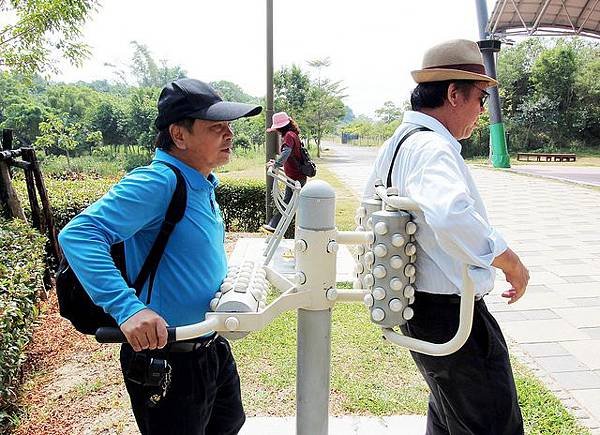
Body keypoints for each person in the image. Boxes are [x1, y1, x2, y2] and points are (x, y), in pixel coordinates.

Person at [58, 78, 262, 435]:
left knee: (228, 425)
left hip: (209, 346)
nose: (229, 134)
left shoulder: (201, 182)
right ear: (179, 135)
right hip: (168, 359)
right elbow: (78, 234)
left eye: (229, 126)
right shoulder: (158, 181)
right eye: (216, 127)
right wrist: (128, 308)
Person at [363, 39, 529, 434]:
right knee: (490, 423)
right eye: (480, 99)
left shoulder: (398, 144)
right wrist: (509, 260)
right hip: (452, 312)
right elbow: (452, 215)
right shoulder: (431, 147)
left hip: (421, 306)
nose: (482, 111)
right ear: (454, 94)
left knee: (451, 414)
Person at [262, 111, 307, 233]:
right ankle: (275, 226)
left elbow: (286, 152)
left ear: (281, 127)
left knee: (292, 203)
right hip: (295, 176)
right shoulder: (293, 135)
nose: (276, 131)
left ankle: (275, 225)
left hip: (296, 177)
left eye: (277, 128)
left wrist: (276, 164)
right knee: (288, 202)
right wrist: (276, 163)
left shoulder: (288, 136)